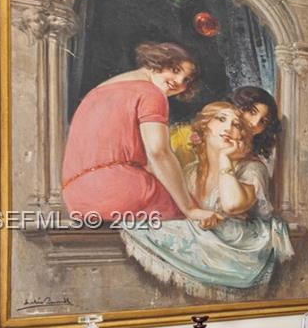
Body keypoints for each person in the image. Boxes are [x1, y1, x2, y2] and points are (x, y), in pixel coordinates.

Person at [120, 101, 293, 299]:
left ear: (242, 136)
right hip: (211, 242)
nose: (229, 128)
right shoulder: (191, 172)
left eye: (237, 125)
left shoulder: (252, 169)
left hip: (238, 249)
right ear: (204, 127)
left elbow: (233, 205)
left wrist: (225, 159)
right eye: (221, 119)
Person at [61, 41, 219, 224]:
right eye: (175, 70)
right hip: (118, 192)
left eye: (186, 81)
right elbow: (158, 152)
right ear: (158, 61)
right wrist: (190, 208)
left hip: (76, 197)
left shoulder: (98, 91)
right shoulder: (151, 93)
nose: (178, 82)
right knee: (199, 215)